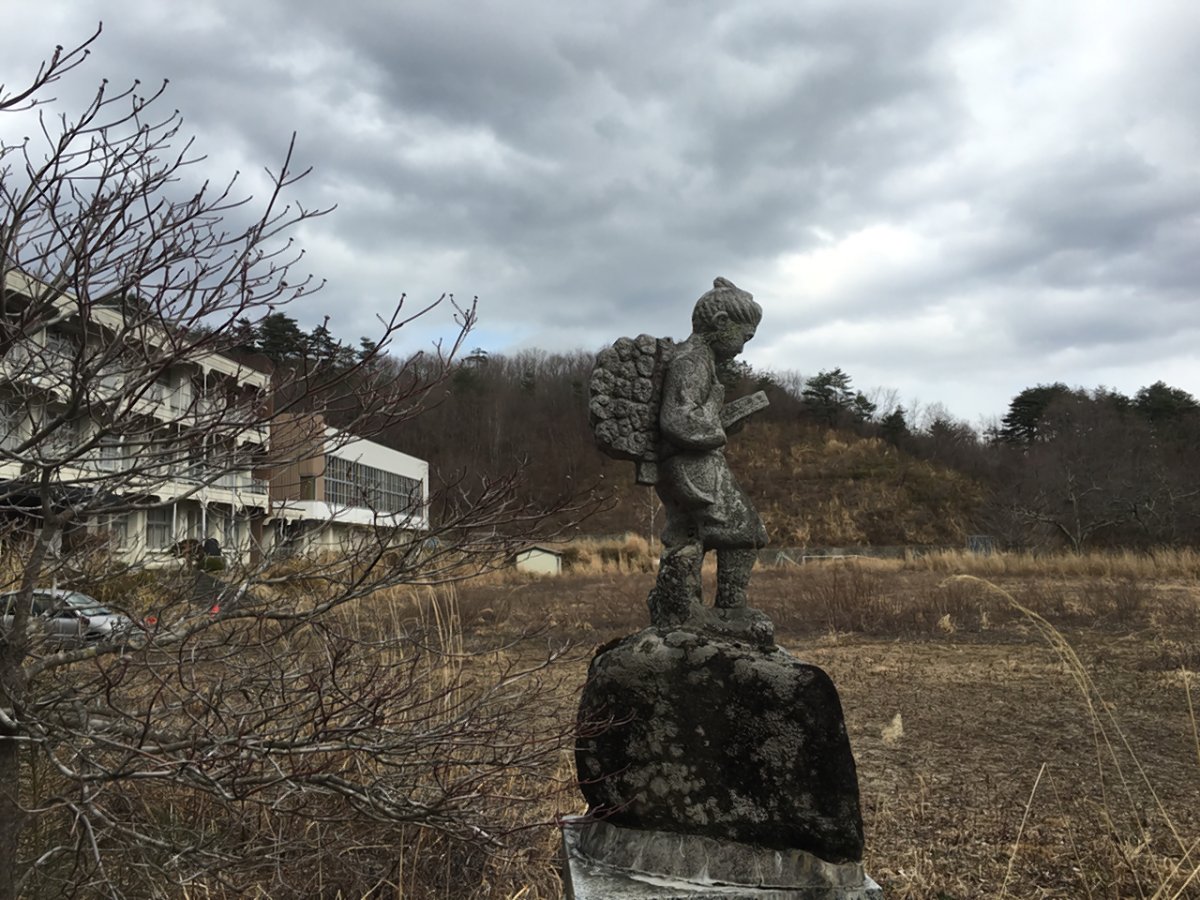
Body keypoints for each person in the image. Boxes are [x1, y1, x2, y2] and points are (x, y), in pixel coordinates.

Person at [648, 277, 768, 626]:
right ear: (721, 324)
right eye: (744, 338)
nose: (742, 349)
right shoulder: (692, 360)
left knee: (690, 533)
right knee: (746, 531)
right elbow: (678, 419)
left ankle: (681, 607)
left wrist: (724, 421)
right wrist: (719, 428)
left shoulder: (700, 360)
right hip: (692, 466)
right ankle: (730, 611)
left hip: (695, 462)